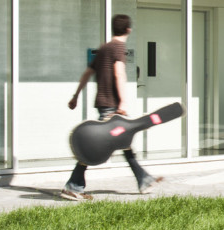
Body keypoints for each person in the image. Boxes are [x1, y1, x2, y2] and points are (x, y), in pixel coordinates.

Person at [61, 14, 162, 201]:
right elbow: (119, 73)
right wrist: (122, 102)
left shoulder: (104, 48)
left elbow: (87, 73)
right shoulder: (117, 47)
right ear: (129, 30)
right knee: (98, 145)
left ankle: (143, 179)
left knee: (124, 143)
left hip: (104, 104)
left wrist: (75, 96)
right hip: (112, 106)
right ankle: (73, 186)